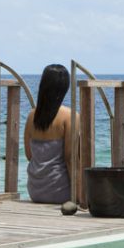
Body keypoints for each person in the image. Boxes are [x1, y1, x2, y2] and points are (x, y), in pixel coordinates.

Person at [25, 64, 74, 204]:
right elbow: (70, 159)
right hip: (61, 192)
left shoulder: (31, 116)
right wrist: (80, 193)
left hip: (35, 191)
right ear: (65, 87)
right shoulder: (69, 116)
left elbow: (29, 155)